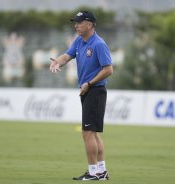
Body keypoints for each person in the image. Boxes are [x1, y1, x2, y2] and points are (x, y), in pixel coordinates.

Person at [49, 11, 113, 181]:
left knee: (87, 133)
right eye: (75, 22)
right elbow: (67, 55)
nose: (75, 25)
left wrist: (89, 84)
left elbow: (108, 69)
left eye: (79, 22)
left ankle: (93, 173)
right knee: (93, 133)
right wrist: (58, 61)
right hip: (88, 91)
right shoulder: (79, 40)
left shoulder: (99, 44)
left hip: (95, 91)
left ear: (90, 24)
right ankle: (101, 171)